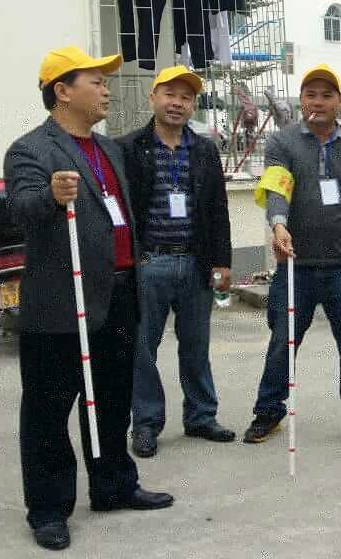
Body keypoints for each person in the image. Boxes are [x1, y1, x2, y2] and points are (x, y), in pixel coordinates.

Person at [4, 47, 174, 552]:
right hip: (61, 303)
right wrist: (51, 196)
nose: (106, 90)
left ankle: (113, 485)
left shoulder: (109, 150)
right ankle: (49, 508)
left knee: (113, 398)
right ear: (62, 90)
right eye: (96, 82)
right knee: (49, 411)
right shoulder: (31, 150)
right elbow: (22, 211)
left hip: (119, 294)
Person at [246, 63, 341, 444]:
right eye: (310, 95)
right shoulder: (283, 143)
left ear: (340, 100)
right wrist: (278, 224)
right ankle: (268, 412)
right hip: (296, 266)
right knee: (282, 341)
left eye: (326, 95)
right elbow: (277, 189)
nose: (317, 102)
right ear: (301, 100)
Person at [119, 66, 235, 457]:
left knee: (196, 347)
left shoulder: (204, 150)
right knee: (142, 349)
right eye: (169, 94)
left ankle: (201, 416)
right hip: (148, 263)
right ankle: (146, 423)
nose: (177, 103)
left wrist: (222, 262)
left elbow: (218, 209)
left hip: (195, 264)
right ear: (153, 97)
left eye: (186, 97)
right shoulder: (128, 148)